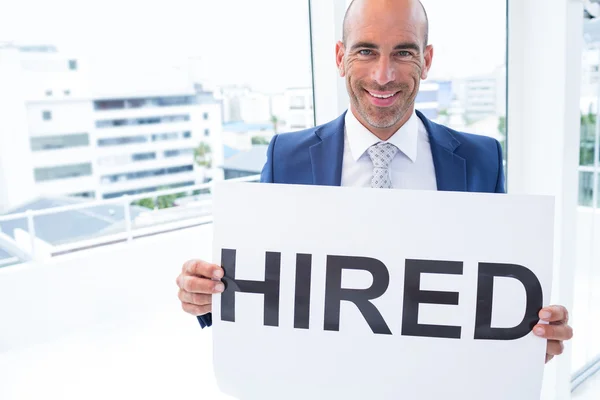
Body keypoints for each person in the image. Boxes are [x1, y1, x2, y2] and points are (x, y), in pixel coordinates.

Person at [175, 0, 573, 364]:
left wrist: (527, 338)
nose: (383, 76)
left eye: (403, 52)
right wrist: (208, 297)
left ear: (427, 60)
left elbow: (494, 290)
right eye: (366, 51)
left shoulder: (481, 159)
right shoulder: (286, 157)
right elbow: (265, 284)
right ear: (339, 57)